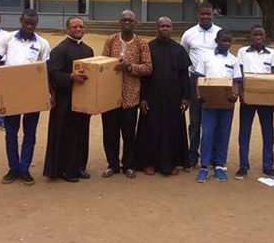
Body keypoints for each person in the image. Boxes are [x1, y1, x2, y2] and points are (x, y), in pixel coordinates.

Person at [0, 8, 50, 186]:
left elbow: (45, 70)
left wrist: (48, 94)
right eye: (26, 22)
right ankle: (13, 168)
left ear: (37, 23)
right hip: (11, 93)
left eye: (33, 23)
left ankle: (25, 169)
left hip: (32, 94)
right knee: (11, 133)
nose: (29, 25)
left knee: (29, 134)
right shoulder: (7, 38)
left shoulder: (43, 43)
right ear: (20, 21)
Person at [135, 16, 191, 176]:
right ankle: (148, 162)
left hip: (174, 98)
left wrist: (186, 97)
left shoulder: (179, 49)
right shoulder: (148, 48)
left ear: (171, 28)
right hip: (152, 96)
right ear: (156, 28)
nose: (165, 28)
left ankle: (171, 162)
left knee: (173, 129)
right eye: (161, 26)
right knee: (150, 130)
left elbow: (183, 75)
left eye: (167, 26)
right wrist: (142, 98)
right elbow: (143, 76)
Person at [100, 10, 152, 179]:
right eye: (124, 20)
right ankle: (112, 165)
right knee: (110, 133)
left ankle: (128, 165)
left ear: (135, 23)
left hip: (131, 97)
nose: (127, 23)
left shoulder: (141, 43)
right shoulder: (110, 40)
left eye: (130, 20)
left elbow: (148, 68)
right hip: (110, 96)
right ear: (119, 22)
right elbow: (102, 63)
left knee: (129, 134)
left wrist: (130, 67)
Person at [43, 16, 94, 183]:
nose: (79, 29)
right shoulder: (59, 50)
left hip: (84, 99)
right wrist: (70, 77)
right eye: (75, 27)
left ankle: (79, 167)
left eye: (81, 26)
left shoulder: (88, 50)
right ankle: (64, 170)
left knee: (82, 133)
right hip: (65, 100)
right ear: (67, 29)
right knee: (67, 135)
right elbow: (53, 74)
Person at [193, 29, 241, 183]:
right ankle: (204, 166)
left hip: (227, 102)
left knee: (223, 133)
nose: (227, 44)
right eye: (224, 41)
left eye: (229, 41)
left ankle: (219, 165)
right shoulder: (206, 58)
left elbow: (236, 81)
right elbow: (199, 78)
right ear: (216, 41)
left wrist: (235, 95)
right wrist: (199, 95)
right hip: (209, 102)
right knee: (207, 133)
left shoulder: (234, 60)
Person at [235, 25, 274, 180]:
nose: (258, 37)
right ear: (251, 36)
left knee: (268, 132)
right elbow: (239, 73)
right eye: (255, 34)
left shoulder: (272, 53)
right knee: (244, 132)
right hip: (247, 98)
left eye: (261, 34)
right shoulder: (242, 52)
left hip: (266, 99)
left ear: (265, 36)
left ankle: (268, 166)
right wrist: (241, 93)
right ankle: (243, 165)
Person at [180, 2, 221, 167]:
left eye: (208, 14)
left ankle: (211, 155)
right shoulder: (189, 34)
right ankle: (192, 154)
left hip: (214, 82)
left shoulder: (219, 33)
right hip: (194, 80)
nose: (205, 17)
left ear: (213, 15)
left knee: (211, 121)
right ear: (198, 15)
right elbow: (183, 57)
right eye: (202, 14)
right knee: (195, 121)